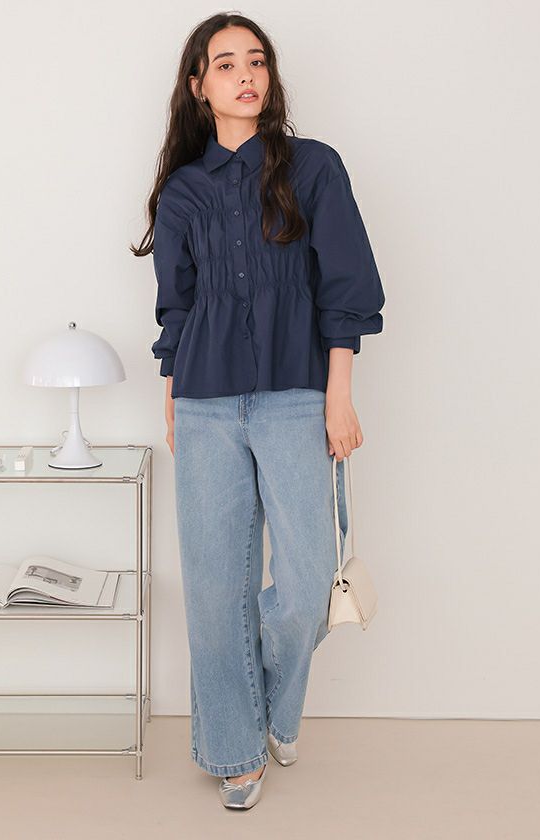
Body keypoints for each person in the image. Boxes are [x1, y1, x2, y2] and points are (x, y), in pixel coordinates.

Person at [131, 12, 385, 810]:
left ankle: (273, 705)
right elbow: (177, 309)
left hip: (296, 397)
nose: (245, 74)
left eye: (257, 60)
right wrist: (173, 402)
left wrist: (339, 393)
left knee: (306, 587)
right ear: (199, 86)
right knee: (215, 588)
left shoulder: (313, 168)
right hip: (203, 402)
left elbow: (346, 288)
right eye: (225, 63)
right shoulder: (183, 190)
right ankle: (236, 751)